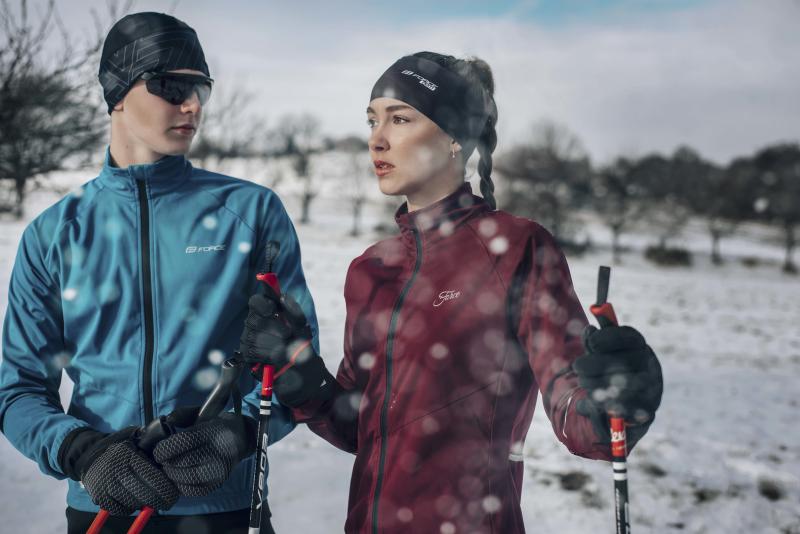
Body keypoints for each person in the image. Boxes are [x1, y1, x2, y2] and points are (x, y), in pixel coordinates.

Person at [238, 52, 663, 533]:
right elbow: (359, 428)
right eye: (373, 120)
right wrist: (298, 371)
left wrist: (616, 399)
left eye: (400, 119)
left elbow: (579, 417)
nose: (377, 138)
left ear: (455, 139)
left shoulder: (516, 248)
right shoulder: (370, 270)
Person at [0, 12, 319, 534]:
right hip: (104, 507)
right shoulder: (54, 233)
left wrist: (235, 434)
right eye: (171, 87)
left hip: (222, 508)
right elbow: (18, 391)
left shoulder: (251, 213)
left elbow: (295, 363)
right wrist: (82, 452)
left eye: (201, 90)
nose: (192, 105)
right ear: (117, 94)